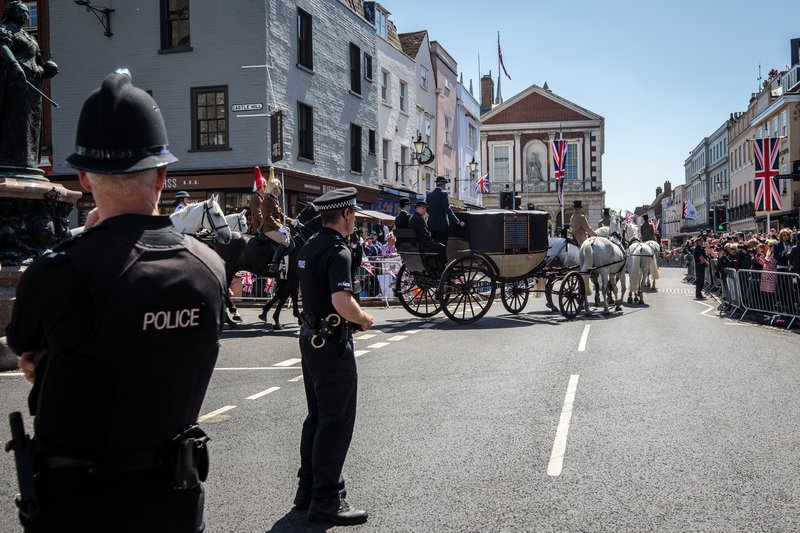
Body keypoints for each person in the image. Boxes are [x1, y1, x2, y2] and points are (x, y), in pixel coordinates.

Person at [7, 70, 226, 532]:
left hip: (78, 506)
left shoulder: (60, 271)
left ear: (84, 178)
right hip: (174, 501)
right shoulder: (209, 268)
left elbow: (25, 342)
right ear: (163, 176)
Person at [295, 187, 374, 526]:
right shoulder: (337, 251)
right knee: (336, 421)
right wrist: (364, 319)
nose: (355, 218)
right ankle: (327, 499)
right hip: (330, 343)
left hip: (309, 337)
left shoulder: (309, 245)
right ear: (344, 216)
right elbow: (342, 302)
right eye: (354, 213)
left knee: (316, 417)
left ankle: (308, 490)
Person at [0, 1, 58, 169]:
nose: (25, 15)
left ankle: (27, 161)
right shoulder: (5, 29)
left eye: (27, 12)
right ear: (11, 12)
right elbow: (2, 47)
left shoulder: (29, 37)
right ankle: (10, 160)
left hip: (33, 86)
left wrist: (47, 70)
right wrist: (14, 65)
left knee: (31, 123)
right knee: (15, 120)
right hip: (14, 82)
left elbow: (36, 62)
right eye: (22, 12)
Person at [252, 167, 294, 274]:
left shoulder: (274, 200)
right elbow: (268, 217)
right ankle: (274, 264)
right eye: (278, 188)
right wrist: (279, 228)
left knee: (289, 236)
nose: (280, 190)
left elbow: (280, 214)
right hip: (268, 228)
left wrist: (291, 221)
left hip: (273, 226)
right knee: (285, 240)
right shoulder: (268, 200)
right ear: (274, 189)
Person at [425, 176, 464, 246]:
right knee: (442, 247)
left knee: (434, 247)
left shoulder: (429, 195)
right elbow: (447, 209)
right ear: (443, 184)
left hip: (431, 226)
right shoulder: (443, 194)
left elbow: (427, 210)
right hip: (442, 226)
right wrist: (458, 221)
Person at [409, 200, 447, 269]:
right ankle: (443, 267)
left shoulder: (414, 218)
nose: (424, 210)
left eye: (425, 209)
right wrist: (432, 240)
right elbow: (425, 234)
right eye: (423, 208)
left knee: (437, 245)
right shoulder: (418, 219)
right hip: (422, 244)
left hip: (418, 243)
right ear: (417, 208)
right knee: (442, 247)